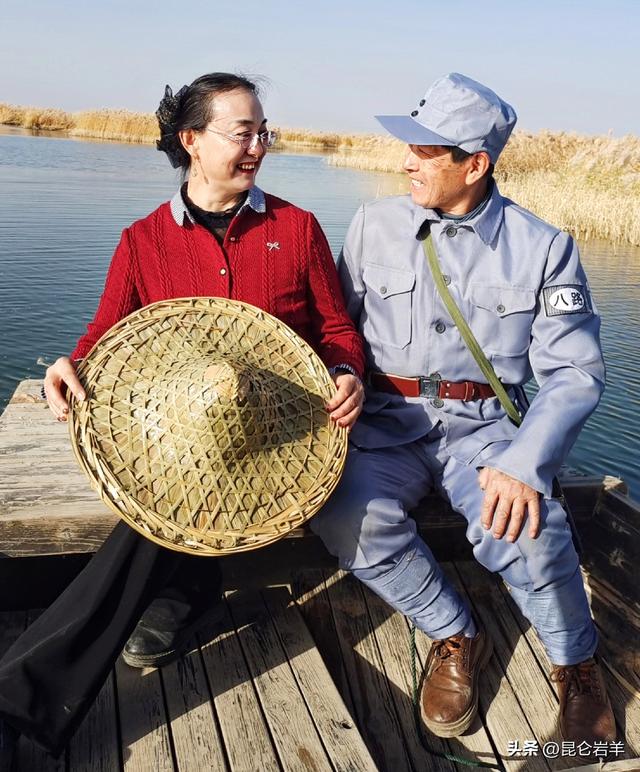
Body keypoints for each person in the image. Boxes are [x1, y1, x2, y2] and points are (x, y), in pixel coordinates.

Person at [0, 72, 364, 763]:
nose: (259, 146)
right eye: (243, 132)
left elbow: (338, 330)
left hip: (280, 441)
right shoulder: (143, 241)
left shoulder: (296, 228)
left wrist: (348, 371)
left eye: (264, 131)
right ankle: (185, 596)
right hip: (182, 441)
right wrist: (69, 363)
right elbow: (107, 333)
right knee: (171, 501)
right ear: (191, 140)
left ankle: (20, 702)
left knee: (150, 526)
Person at [311, 73, 616, 747]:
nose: (406, 162)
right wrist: (340, 374)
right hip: (384, 425)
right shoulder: (371, 226)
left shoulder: (545, 248)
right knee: (342, 514)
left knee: (529, 529)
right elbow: (338, 332)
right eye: (409, 148)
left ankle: (576, 663)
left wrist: (525, 463)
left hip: (485, 434)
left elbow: (572, 373)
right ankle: (454, 633)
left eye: (425, 151)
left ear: (474, 165)